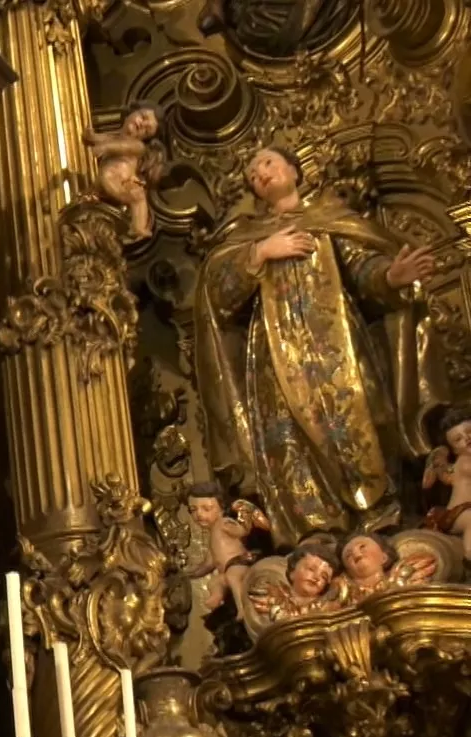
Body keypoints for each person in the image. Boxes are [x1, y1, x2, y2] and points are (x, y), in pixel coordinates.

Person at [194, 146, 442, 547]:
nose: (260, 173)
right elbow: (219, 300)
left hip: (337, 345)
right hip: (274, 358)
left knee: (358, 419)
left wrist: (392, 277)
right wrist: (259, 253)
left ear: (293, 169)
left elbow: (361, 269)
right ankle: (315, 533)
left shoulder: (330, 220)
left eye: (268, 162)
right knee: (288, 434)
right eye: (253, 172)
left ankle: (378, 518)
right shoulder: (247, 238)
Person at [184, 481, 269, 618]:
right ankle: (216, 598)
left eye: (206, 508)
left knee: (232, 576)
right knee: (215, 581)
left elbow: (241, 531)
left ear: (221, 507)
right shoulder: (211, 536)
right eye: (193, 510)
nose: (199, 514)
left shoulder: (224, 523)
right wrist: (191, 573)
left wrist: (245, 522)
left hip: (241, 562)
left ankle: (243, 608)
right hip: (229, 568)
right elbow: (209, 563)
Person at [85, 103, 165, 239]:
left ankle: (139, 227)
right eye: (143, 117)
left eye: (146, 130)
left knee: (138, 196)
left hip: (122, 179)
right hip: (109, 176)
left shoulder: (138, 146)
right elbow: (100, 138)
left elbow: (121, 147)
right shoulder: (115, 136)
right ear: (132, 112)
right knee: (134, 195)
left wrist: (105, 148)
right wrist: (92, 137)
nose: (141, 125)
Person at [423, 407, 471, 557]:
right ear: (454, 450)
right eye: (459, 439)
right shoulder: (464, 463)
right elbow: (427, 484)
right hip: (456, 513)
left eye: (470, 432)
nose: (467, 438)